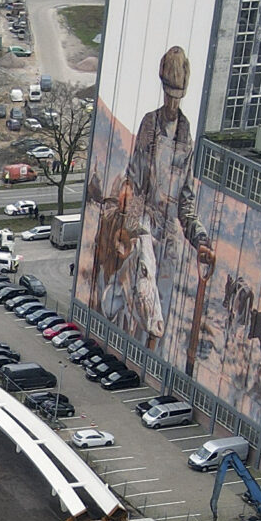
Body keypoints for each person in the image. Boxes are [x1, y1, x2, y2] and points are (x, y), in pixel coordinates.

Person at [98, 45, 215, 354]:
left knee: (158, 324)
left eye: (178, 94)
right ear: (163, 88)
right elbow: (134, 180)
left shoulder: (187, 137)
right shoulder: (150, 124)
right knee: (133, 301)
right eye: (169, 93)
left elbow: (185, 201)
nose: (172, 101)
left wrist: (200, 238)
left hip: (171, 241)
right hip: (145, 229)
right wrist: (132, 229)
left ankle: (147, 369)